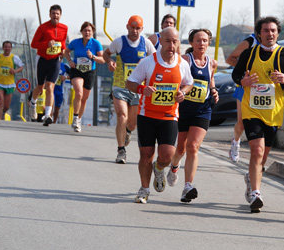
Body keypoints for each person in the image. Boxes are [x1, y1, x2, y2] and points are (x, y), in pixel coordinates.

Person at [232, 16, 284, 213]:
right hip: (252, 109)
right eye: (265, 30)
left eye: (273, 30)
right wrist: (242, 82)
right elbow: (236, 74)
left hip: (273, 112)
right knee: (257, 150)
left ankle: (251, 179)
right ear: (259, 34)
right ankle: (256, 194)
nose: (269, 34)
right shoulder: (249, 54)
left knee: (263, 157)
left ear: (278, 33)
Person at [126, 27, 193, 204]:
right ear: (160, 41)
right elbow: (130, 83)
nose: (171, 45)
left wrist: (183, 93)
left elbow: (189, 84)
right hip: (146, 115)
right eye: (168, 41)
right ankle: (144, 189)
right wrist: (142, 88)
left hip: (169, 116)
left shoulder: (182, 64)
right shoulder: (148, 62)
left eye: (175, 41)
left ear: (178, 43)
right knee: (146, 154)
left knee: (167, 156)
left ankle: (159, 168)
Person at [166, 29, 219, 203]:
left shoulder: (212, 63)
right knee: (180, 148)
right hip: (184, 109)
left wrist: (213, 90)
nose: (202, 43)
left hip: (203, 110)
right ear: (191, 43)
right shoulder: (186, 60)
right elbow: (177, 78)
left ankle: (188, 186)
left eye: (205, 40)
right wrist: (180, 91)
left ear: (209, 43)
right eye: (198, 40)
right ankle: (174, 166)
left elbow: (210, 79)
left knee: (193, 147)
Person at [103, 15, 155, 163]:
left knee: (132, 124)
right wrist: (110, 61)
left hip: (138, 88)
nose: (135, 31)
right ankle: (121, 150)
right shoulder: (119, 42)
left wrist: (145, 61)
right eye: (132, 27)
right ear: (127, 27)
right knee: (122, 116)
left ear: (142, 29)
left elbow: (155, 59)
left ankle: (127, 131)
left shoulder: (146, 43)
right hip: (120, 86)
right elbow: (106, 53)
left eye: (138, 28)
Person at [30, 4, 68, 126]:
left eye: (57, 14)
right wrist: (46, 44)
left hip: (55, 60)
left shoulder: (64, 28)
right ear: (49, 14)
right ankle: (33, 103)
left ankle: (47, 115)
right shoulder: (42, 28)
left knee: (50, 86)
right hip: (42, 59)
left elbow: (62, 43)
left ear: (60, 15)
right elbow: (33, 44)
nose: (55, 16)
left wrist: (62, 50)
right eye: (53, 13)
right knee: (40, 88)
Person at [64, 22, 104, 133]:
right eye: (85, 30)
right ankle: (75, 117)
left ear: (92, 32)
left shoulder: (96, 43)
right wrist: (70, 61)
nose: (87, 32)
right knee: (79, 93)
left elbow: (103, 59)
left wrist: (93, 57)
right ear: (81, 32)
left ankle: (78, 120)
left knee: (84, 98)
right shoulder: (75, 42)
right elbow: (66, 52)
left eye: (89, 31)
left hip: (89, 71)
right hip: (77, 70)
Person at [226, 32, 259, 162]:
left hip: (263, 90)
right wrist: (246, 68)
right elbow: (230, 59)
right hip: (243, 87)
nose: (269, 34)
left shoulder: (274, 46)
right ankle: (236, 141)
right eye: (265, 30)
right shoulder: (250, 42)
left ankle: (256, 159)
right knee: (241, 124)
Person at [0, 40, 24, 120]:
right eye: (5, 47)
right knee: (0, 100)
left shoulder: (14, 58)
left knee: (6, 106)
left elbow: (21, 67)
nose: (7, 48)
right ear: (3, 48)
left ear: (11, 48)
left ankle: (2, 111)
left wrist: (15, 71)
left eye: (9, 47)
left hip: (10, 84)